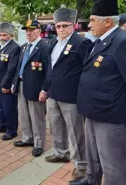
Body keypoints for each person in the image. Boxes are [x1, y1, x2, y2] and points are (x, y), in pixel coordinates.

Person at [71, 0, 126, 185]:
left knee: (111, 161)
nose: (89, 24)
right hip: (93, 110)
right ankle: (91, 179)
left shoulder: (121, 42)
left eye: (93, 20)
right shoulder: (100, 40)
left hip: (110, 114)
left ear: (108, 22)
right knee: (92, 153)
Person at [44, 8, 92, 179]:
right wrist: (45, 89)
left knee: (75, 130)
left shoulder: (81, 43)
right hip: (53, 93)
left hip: (71, 96)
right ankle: (61, 153)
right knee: (56, 126)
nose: (61, 29)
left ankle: (81, 164)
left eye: (65, 26)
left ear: (74, 25)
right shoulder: (53, 43)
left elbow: (88, 71)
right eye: (58, 26)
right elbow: (50, 69)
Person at [12, 20, 49, 157]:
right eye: (27, 30)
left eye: (32, 30)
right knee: (23, 114)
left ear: (39, 31)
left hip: (36, 87)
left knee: (37, 116)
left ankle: (39, 143)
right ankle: (27, 138)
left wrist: (44, 89)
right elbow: (19, 68)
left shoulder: (44, 46)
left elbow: (48, 71)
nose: (29, 33)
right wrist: (14, 83)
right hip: (22, 84)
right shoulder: (23, 47)